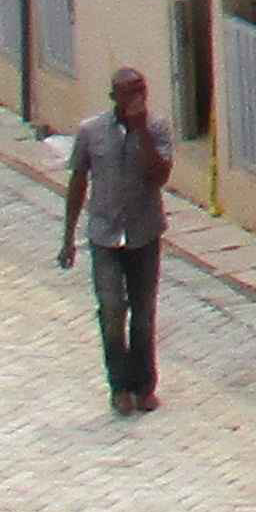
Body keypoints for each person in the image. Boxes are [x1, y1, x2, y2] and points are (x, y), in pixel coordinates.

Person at [56, 65, 176, 416]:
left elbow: (159, 175)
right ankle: (119, 385)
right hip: (105, 234)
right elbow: (78, 182)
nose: (137, 97)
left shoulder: (157, 128)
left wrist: (141, 133)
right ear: (114, 97)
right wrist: (68, 237)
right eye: (129, 92)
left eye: (141, 89)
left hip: (144, 233)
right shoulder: (91, 131)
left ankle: (144, 386)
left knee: (143, 314)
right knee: (111, 309)